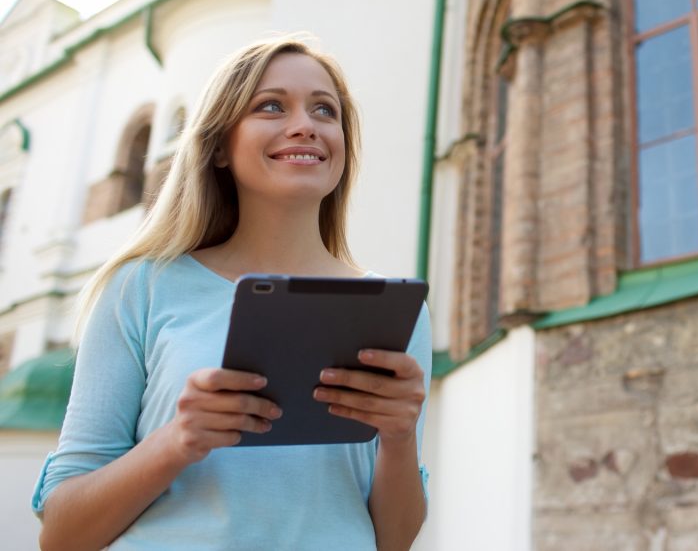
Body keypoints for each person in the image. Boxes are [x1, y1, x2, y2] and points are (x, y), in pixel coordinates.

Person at [32, 36, 431, 551]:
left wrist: (398, 439)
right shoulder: (140, 287)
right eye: (271, 105)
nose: (305, 124)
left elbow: (393, 541)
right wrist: (178, 440)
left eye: (324, 110)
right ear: (219, 145)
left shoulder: (396, 313)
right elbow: (62, 535)